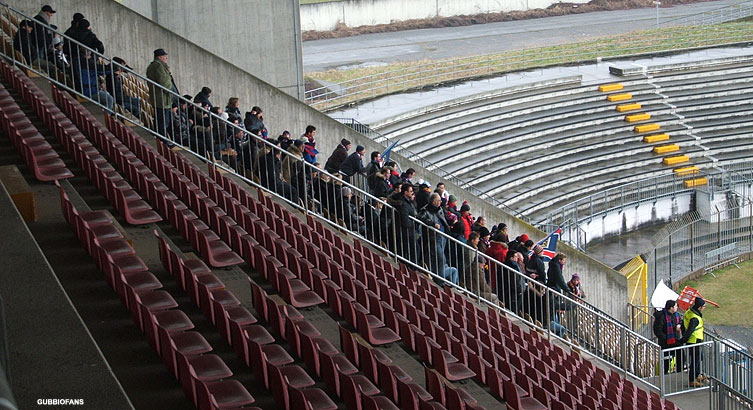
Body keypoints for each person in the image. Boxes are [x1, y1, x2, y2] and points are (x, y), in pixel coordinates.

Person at [146, 48, 174, 140]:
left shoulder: (154, 66)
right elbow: (165, 83)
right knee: (163, 122)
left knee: (161, 121)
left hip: (159, 98)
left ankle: (162, 140)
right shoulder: (158, 66)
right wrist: (170, 90)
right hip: (162, 99)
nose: (166, 59)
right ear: (160, 57)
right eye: (165, 57)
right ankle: (163, 141)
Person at [388, 183, 419, 263]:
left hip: (407, 232)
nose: (412, 193)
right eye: (411, 191)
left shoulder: (407, 201)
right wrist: (414, 223)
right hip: (405, 233)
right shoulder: (403, 204)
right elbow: (405, 220)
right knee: (411, 252)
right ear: (405, 192)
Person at [681, 297, 708, 387]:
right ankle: (692, 380)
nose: (704, 308)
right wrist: (682, 340)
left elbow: (683, 325)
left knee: (699, 357)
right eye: (704, 306)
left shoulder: (689, 312)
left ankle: (697, 375)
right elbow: (690, 331)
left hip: (693, 340)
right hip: (694, 340)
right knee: (695, 360)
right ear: (700, 307)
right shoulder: (695, 318)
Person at [653, 299, 683, 374]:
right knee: (666, 360)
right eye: (675, 306)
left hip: (675, 340)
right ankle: (664, 374)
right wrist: (666, 339)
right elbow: (657, 330)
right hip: (666, 343)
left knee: (680, 355)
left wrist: (679, 325)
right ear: (671, 308)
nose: (677, 307)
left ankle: (679, 371)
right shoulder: (661, 317)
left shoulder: (676, 315)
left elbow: (680, 322)